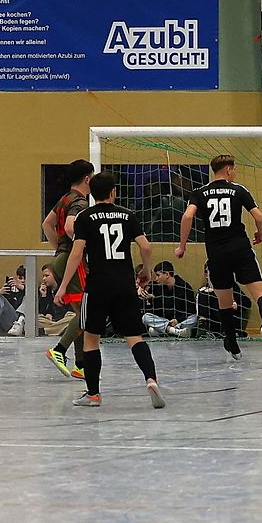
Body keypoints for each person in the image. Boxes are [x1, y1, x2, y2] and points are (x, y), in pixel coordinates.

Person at [55, 172, 164, 409]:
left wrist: (63, 286)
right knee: (134, 337)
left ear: (92, 194)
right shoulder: (127, 214)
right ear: (113, 192)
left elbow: (76, 253)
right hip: (125, 285)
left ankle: (93, 394)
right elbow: (145, 246)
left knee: (91, 339)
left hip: (97, 286)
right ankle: (151, 379)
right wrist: (146, 270)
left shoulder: (85, 217)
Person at [176, 155, 262, 358]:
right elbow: (259, 217)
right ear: (228, 169)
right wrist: (260, 233)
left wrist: (182, 246)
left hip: (216, 253)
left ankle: (233, 345)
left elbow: (187, 216)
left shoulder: (199, 193)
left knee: (225, 302)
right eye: (234, 169)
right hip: (240, 248)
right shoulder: (238, 190)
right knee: (260, 293)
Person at [41, 159, 93, 378]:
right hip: (73, 259)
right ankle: (59, 350)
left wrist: (59, 249)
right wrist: (77, 246)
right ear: (87, 179)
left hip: (61, 257)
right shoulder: (80, 202)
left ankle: (80, 365)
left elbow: (47, 224)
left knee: (80, 313)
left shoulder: (64, 199)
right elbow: (70, 227)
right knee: (87, 313)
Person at [142, 261, 198, 337]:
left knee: (194, 318)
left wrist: (177, 320)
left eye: (158, 275)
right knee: (145, 317)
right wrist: (148, 294)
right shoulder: (158, 287)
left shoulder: (184, 287)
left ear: (167, 274)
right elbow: (149, 285)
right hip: (165, 320)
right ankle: (174, 331)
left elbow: (190, 310)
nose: (156, 278)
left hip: (179, 320)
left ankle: (165, 330)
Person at [197, 261, 251, 338]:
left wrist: (236, 304)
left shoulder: (230, 285)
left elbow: (247, 302)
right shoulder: (203, 290)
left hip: (229, 319)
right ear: (206, 275)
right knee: (202, 294)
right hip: (212, 324)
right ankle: (204, 329)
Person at [0, 266, 27, 336]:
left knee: (29, 297)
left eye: (25, 278)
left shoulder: (34, 291)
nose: (23, 281)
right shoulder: (9, 291)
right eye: (20, 278)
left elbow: (37, 299)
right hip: (10, 322)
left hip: (26, 324)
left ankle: (19, 324)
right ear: (16, 278)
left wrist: (22, 288)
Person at [39, 263, 76, 336]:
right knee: (36, 318)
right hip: (53, 322)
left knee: (73, 317)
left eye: (46, 275)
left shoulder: (65, 289)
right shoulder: (47, 290)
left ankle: (46, 330)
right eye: (43, 276)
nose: (44, 279)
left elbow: (71, 309)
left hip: (63, 319)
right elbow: (42, 311)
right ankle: (57, 330)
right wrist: (43, 296)